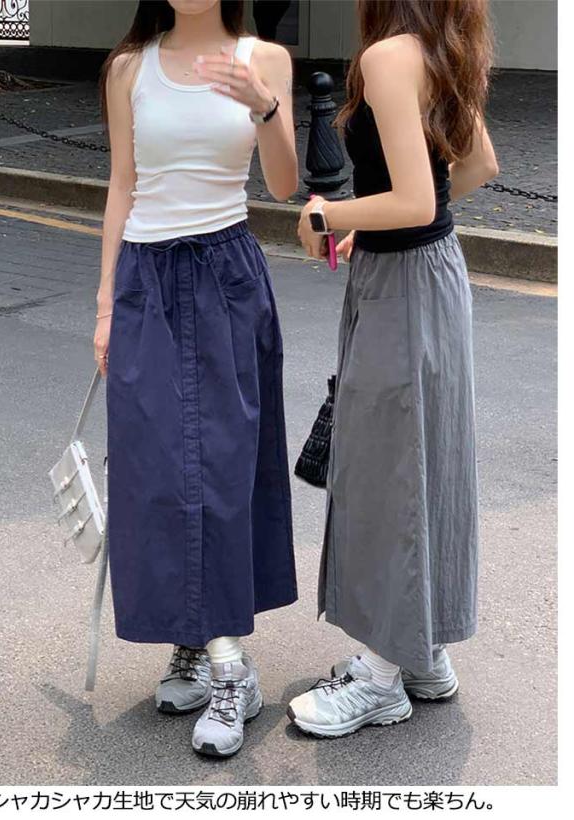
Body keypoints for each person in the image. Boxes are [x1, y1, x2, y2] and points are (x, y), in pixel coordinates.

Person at [288, 0, 498, 738]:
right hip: (433, 272)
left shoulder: (387, 57)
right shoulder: (447, 45)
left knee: (386, 472)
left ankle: (380, 680)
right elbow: (474, 168)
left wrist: (326, 215)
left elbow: (412, 199)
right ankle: (423, 654)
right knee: (421, 462)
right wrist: (377, 224)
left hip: (404, 285)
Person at [94, 0, 298, 758]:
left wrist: (265, 105)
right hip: (146, 278)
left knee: (219, 469)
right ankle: (196, 640)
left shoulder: (263, 58)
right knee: (156, 469)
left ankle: (230, 667)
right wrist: (105, 304)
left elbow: (283, 185)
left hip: (225, 276)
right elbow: (122, 184)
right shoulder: (129, 68)